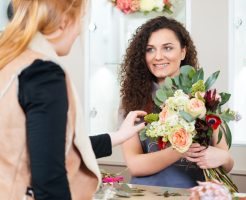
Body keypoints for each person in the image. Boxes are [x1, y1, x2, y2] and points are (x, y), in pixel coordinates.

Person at [0, 0, 146, 199]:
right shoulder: (43, 73)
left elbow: (45, 144)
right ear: (64, 21)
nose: (79, 32)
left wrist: (118, 136)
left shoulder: (9, 62)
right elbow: (49, 178)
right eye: (81, 20)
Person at [119, 16, 234, 188]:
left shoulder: (204, 98)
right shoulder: (132, 101)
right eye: (150, 49)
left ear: (183, 52)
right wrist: (179, 150)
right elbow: (135, 166)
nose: (158, 56)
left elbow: (226, 161)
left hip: (195, 194)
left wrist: (224, 157)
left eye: (167, 48)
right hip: (147, 194)